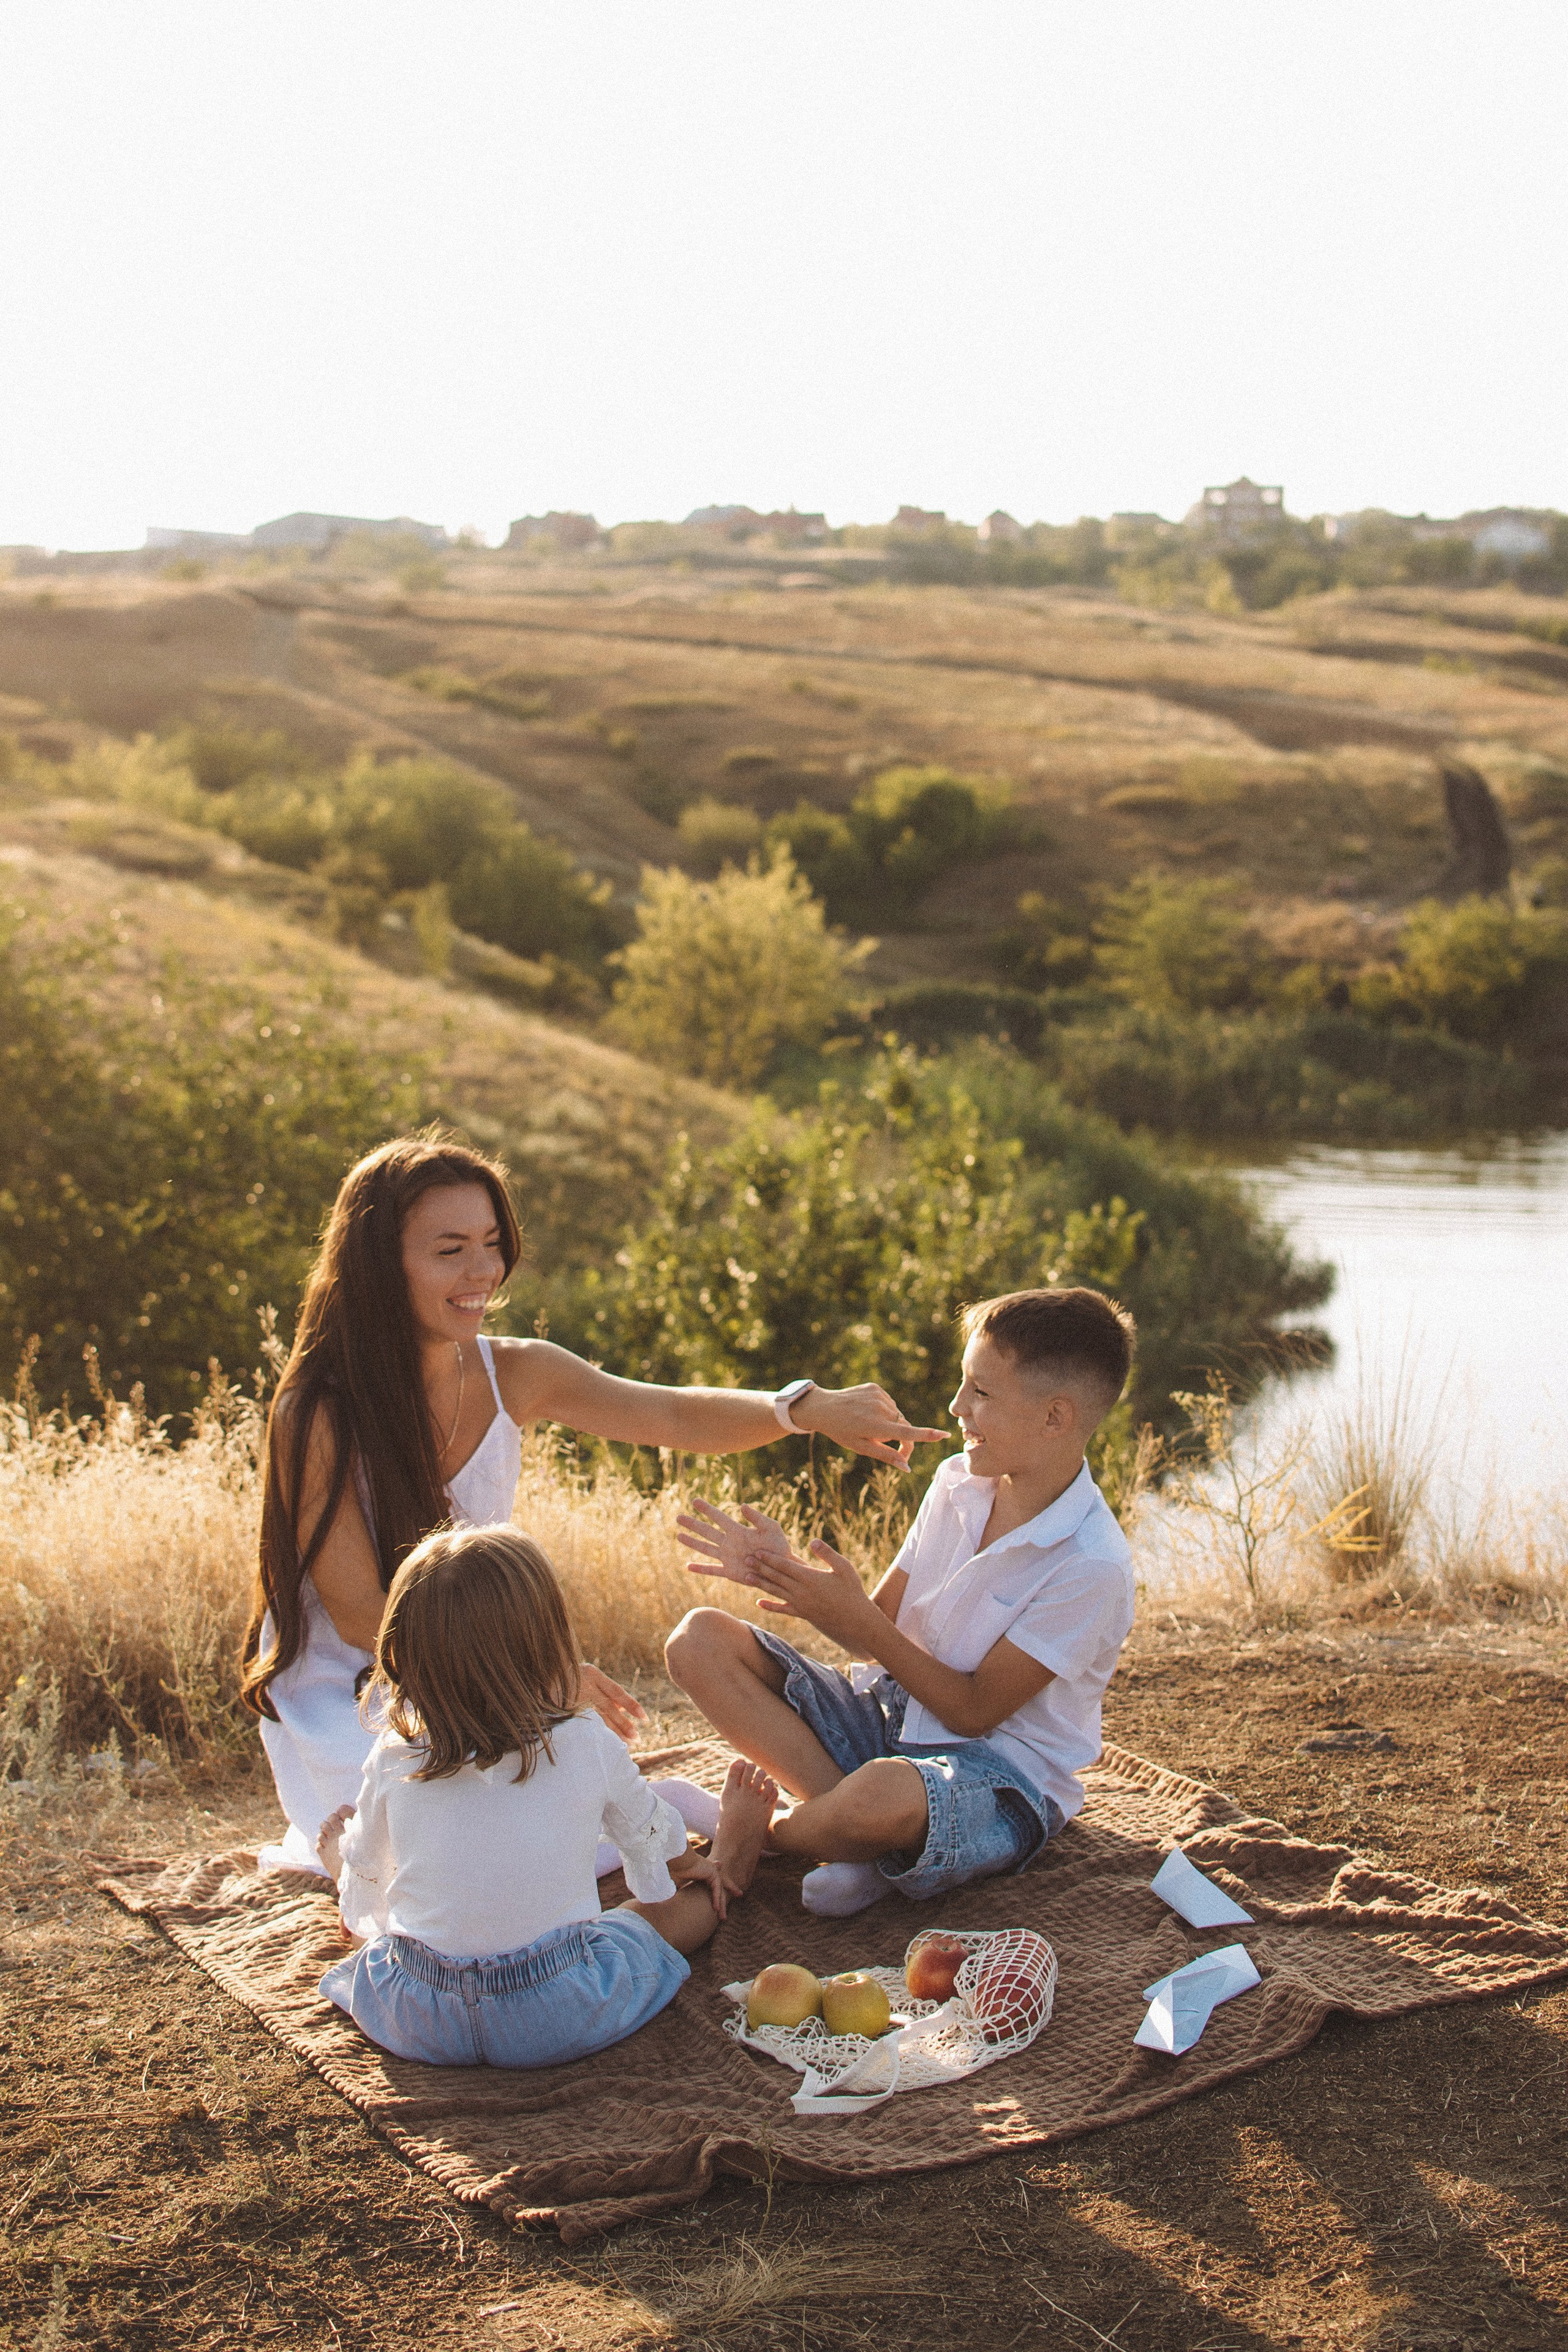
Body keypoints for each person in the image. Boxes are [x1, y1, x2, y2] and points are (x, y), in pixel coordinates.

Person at [243, 1133, 940, 1872]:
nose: (482, 1271)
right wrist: (530, 1676)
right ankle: (703, 1822)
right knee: (437, 1860)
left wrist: (804, 1409)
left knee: (536, 1833)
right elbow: (358, 1612)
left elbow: (670, 1417)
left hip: (476, 1666)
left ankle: (752, 1831)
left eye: (490, 1243)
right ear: (381, 1266)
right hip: (357, 1685)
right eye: (449, 1250)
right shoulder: (314, 1413)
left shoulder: (516, 1371)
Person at [666, 1286, 1136, 1918]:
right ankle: (858, 1849)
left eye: (981, 1393)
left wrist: (864, 1623)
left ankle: (770, 1834)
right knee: (697, 1641)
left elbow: (972, 1713)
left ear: (1056, 1417)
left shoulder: (1093, 1564)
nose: (957, 1406)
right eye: (964, 1384)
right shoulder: (954, 1485)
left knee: (882, 1798)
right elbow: (873, 1631)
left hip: (996, 1781)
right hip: (891, 1719)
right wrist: (786, 1576)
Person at [314, 1524, 778, 2067]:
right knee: (646, 1923)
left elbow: (374, 1862)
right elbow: (648, 1829)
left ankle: (337, 1870)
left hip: (424, 2017)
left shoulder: (396, 1753)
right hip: (554, 2010)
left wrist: (356, 1884)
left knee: (383, 1926)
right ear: (549, 1644)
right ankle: (733, 1865)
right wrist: (692, 1863)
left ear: (402, 1656)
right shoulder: (585, 1739)